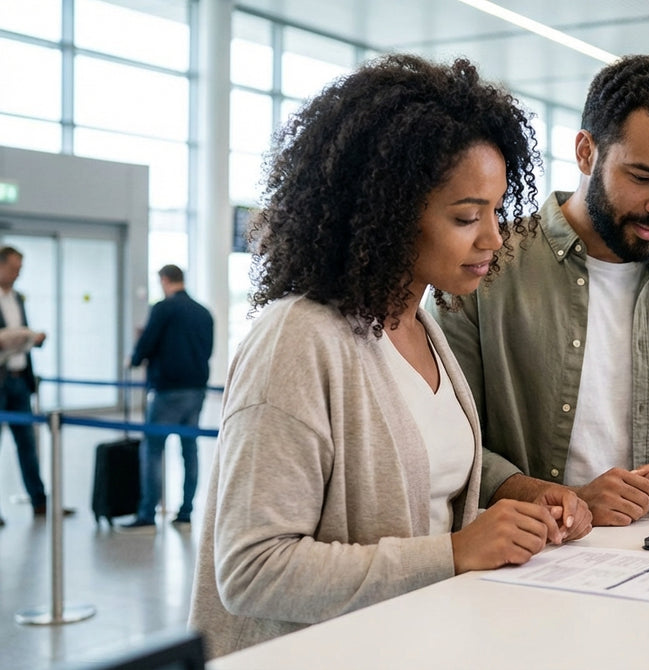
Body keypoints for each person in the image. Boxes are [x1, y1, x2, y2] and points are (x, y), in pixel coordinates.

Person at [189, 54, 591, 657]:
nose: (493, 238)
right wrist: (454, 553)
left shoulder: (423, 327)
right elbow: (251, 570)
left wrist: (521, 506)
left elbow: (415, 507)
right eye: (465, 216)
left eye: (496, 210)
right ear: (388, 212)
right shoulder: (298, 340)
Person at [431, 55, 649, 527]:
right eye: (644, 177)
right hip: (525, 555)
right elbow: (446, 440)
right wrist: (563, 497)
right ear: (586, 152)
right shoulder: (484, 269)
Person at [119, 264, 214, 531]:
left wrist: (135, 359)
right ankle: (186, 511)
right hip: (196, 389)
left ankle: (148, 512)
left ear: (164, 280)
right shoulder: (204, 312)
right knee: (190, 449)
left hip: (167, 389)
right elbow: (207, 350)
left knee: (153, 450)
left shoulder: (163, 308)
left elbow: (147, 343)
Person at [0, 246, 72, 525]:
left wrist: (33, 339)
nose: (18, 274)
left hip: (19, 379)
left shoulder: (17, 298)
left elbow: (22, 333)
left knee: (27, 445)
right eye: (14, 268)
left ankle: (39, 501)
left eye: (21, 269)